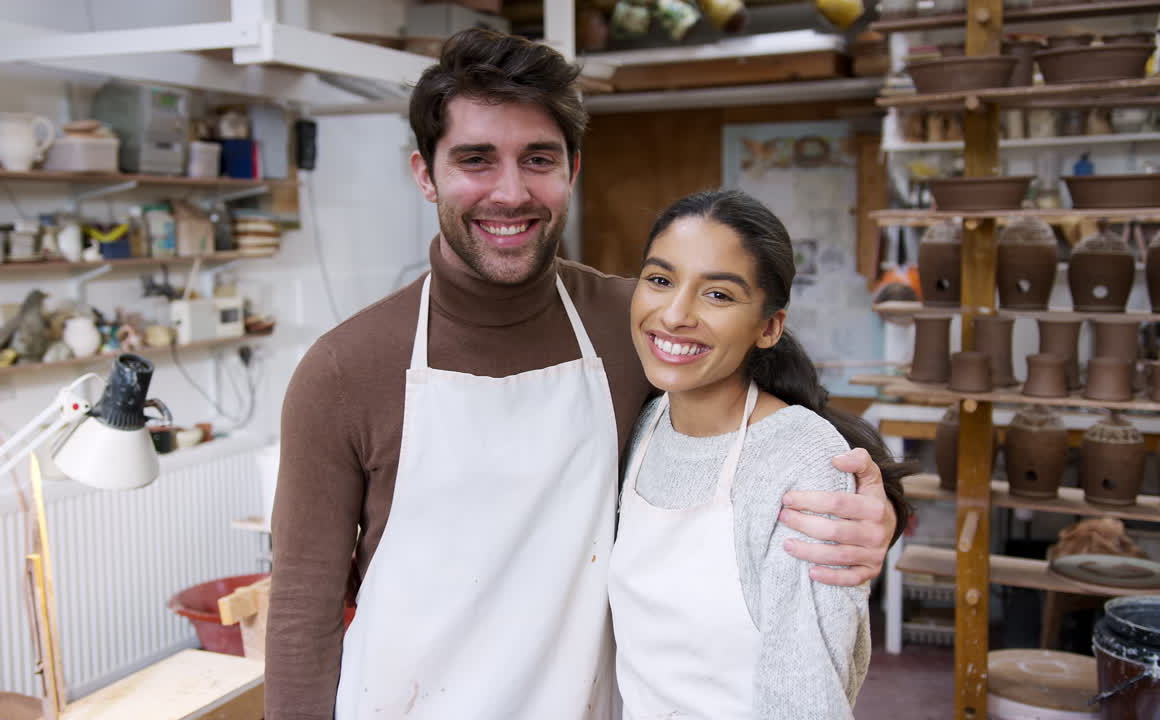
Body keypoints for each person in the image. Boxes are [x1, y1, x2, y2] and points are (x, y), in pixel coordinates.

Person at [266, 28, 910, 720]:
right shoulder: (343, 370)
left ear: (572, 169)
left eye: (537, 159)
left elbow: (789, 429)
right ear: (426, 174)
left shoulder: (631, 322)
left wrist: (880, 516)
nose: (510, 193)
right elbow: (303, 617)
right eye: (475, 160)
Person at [609, 189, 916, 720]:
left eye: (719, 296)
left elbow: (805, 696)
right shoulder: (644, 426)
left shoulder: (803, 460)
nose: (676, 314)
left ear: (769, 326)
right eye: (660, 280)